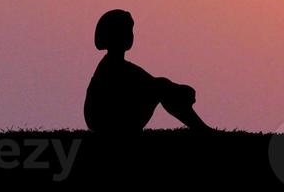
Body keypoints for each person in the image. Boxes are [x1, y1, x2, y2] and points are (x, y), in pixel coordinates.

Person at [83, 9, 214, 134]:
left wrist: (177, 89)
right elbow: (158, 85)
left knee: (162, 86)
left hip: (107, 121)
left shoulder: (116, 65)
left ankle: (202, 129)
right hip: (107, 123)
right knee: (161, 86)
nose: (131, 35)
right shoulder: (114, 67)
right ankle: (202, 130)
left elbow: (156, 83)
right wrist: (178, 90)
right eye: (128, 30)